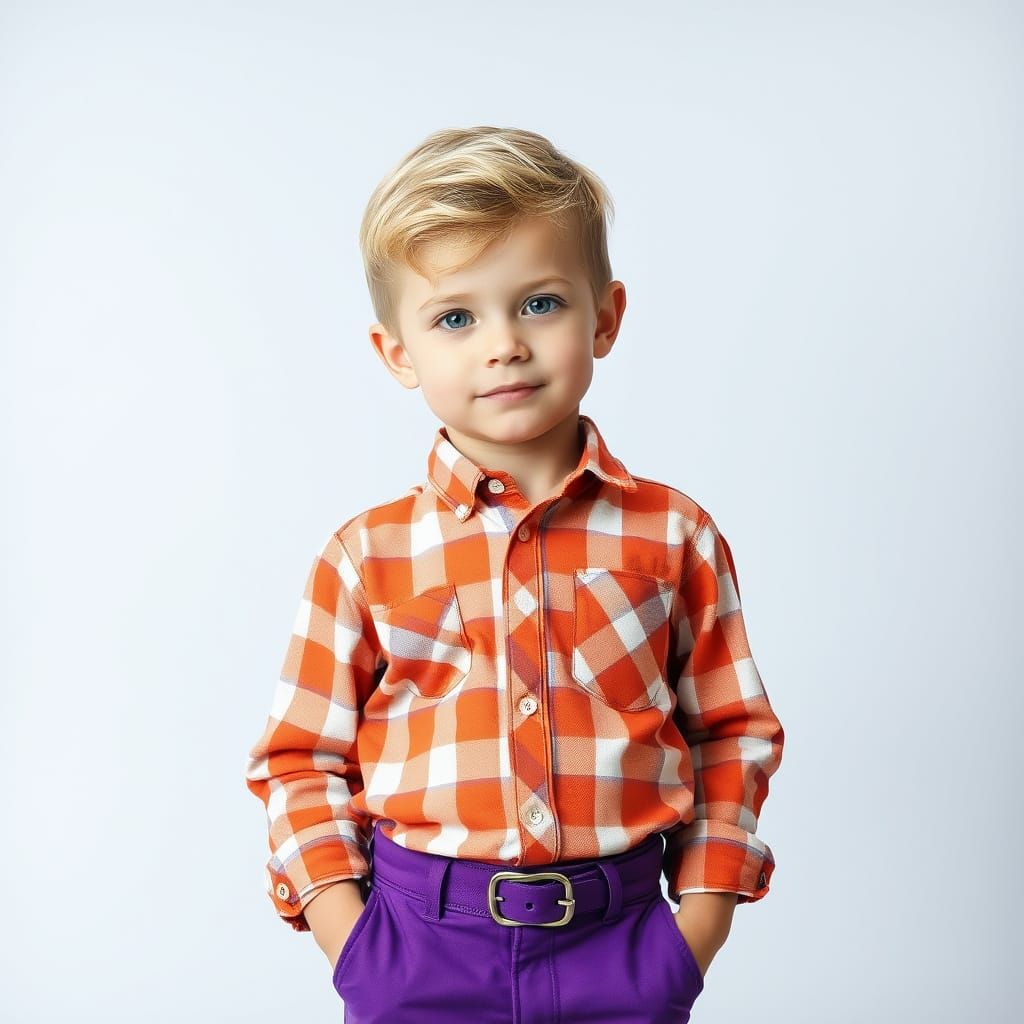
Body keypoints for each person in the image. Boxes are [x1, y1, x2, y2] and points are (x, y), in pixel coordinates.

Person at [244, 125, 785, 1023]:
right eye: (456, 316)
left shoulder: (674, 535)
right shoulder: (365, 555)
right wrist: (356, 946)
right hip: (418, 948)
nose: (503, 344)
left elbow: (729, 733)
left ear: (605, 316)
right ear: (397, 353)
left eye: (539, 303)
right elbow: (301, 758)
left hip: (622, 944)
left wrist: (693, 934)